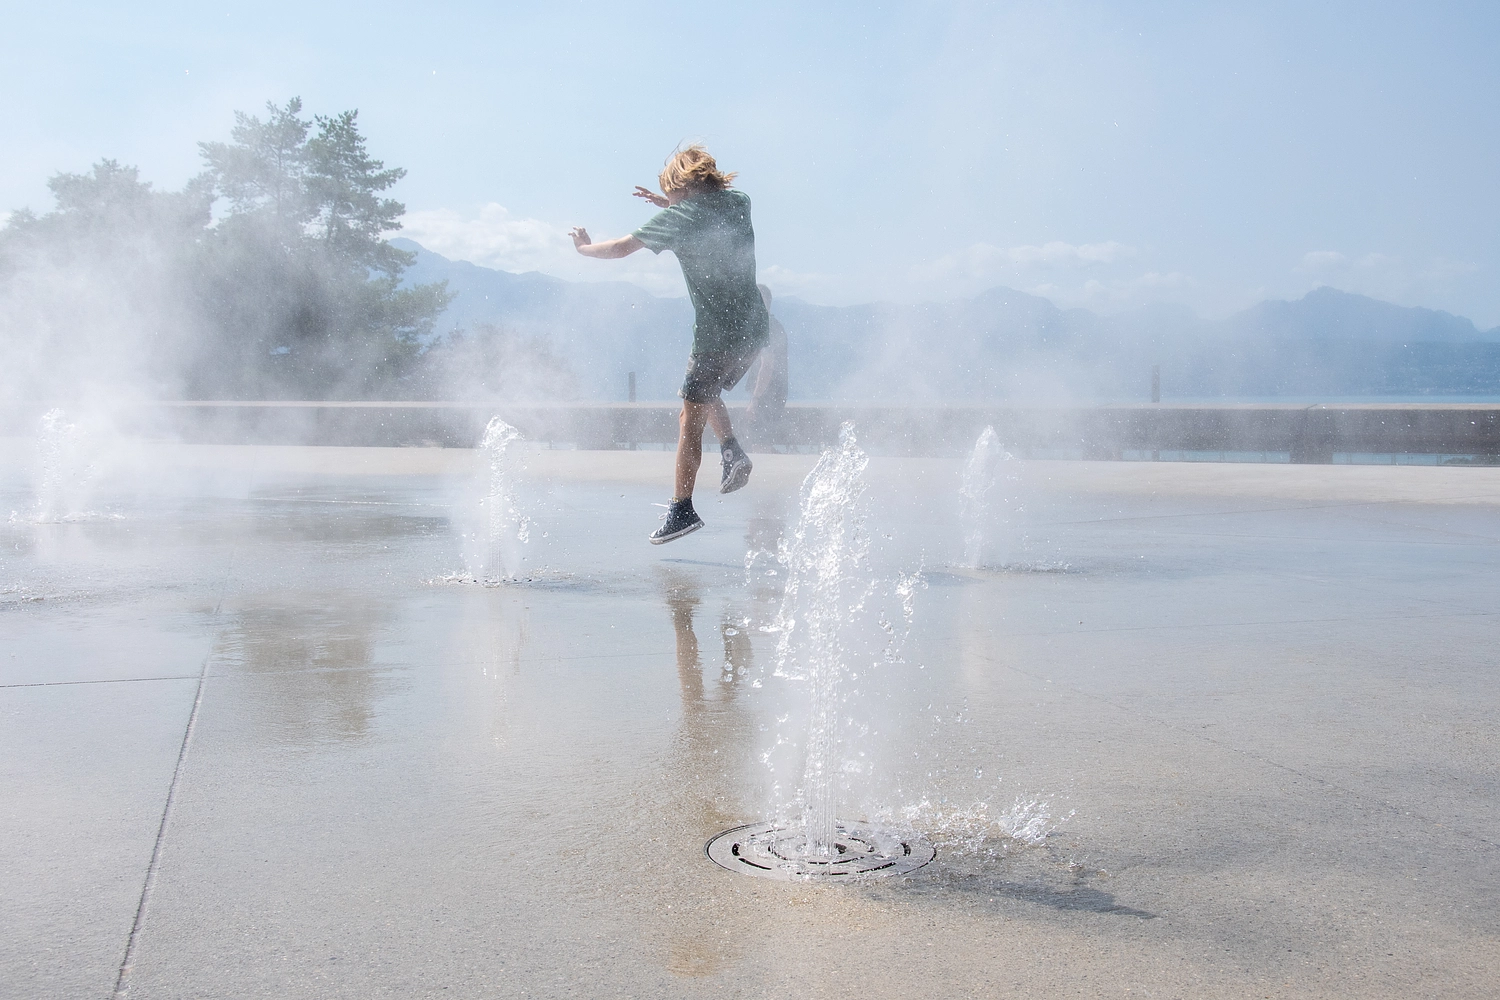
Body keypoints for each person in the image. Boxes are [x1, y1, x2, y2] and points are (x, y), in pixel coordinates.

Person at [570, 145, 769, 544]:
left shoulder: (680, 218)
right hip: (752, 332)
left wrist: (583, 249)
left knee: (688, 422)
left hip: (715, 337)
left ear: (681, 187)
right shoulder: (738, 203)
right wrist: (669, 204)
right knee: (699, 389)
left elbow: (621, 248)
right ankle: (731, 451)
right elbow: (703, 214)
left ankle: (682, 509)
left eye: (671, 192)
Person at [745, 283, 789, 428]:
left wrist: (755, 399)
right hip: (773, 393)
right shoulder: (774, 325)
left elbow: (767, 365)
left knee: (760, 445)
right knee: (764, 442)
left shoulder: (767, 328)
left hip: (767, 396)